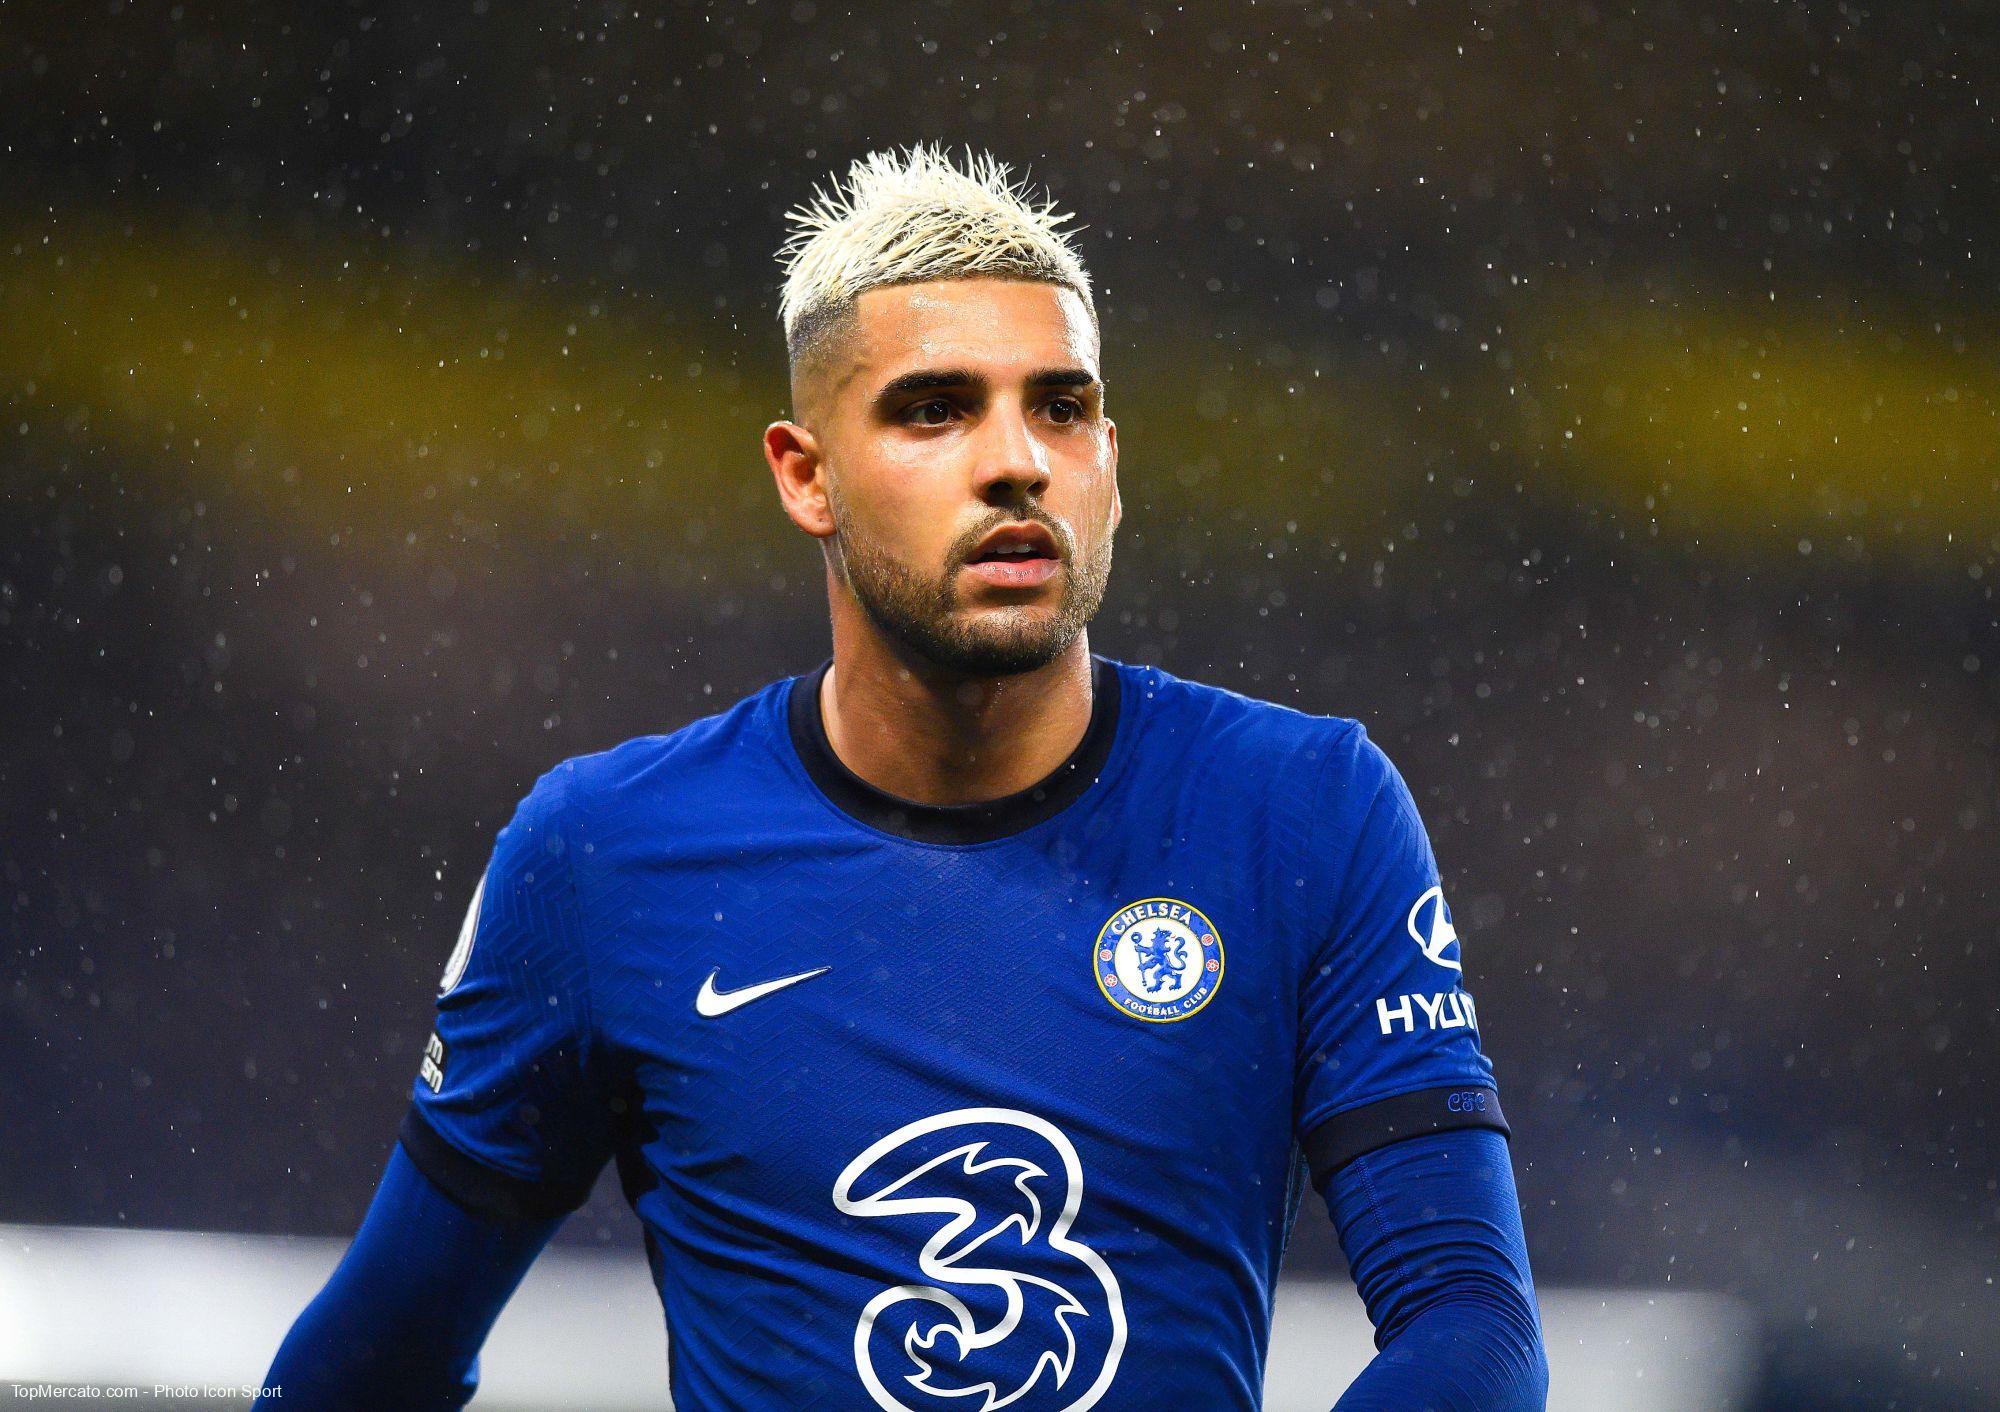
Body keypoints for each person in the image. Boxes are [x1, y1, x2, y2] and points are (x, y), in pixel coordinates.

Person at [261, 143, 1548, 1411]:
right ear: (804, 474)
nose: (1016, 459)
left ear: (1109, 462)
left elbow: (1470, 1324)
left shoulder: (1302, 807)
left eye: (1060, 407)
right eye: (934, 408)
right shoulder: (603, 854)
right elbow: (369, 1363)